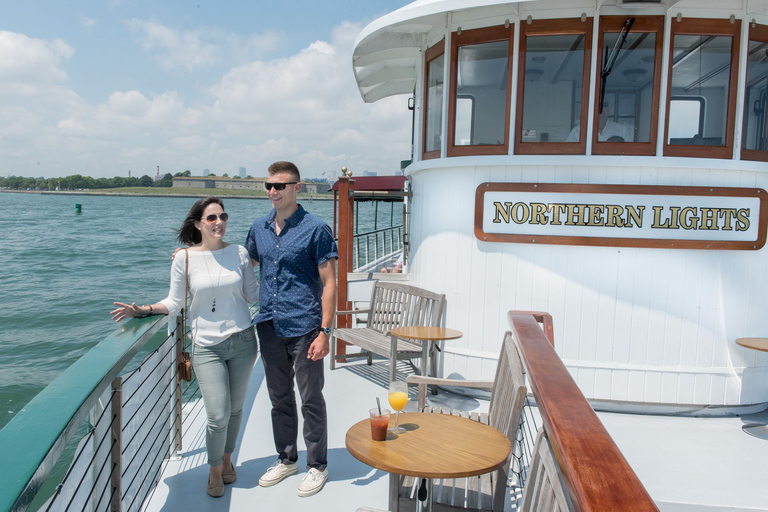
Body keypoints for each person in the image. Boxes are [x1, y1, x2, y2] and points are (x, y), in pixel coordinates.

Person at [111, 197, 259, 499]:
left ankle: (228, 459)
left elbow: (253, 296)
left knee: (235, 409)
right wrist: (144, 310)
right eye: (211, 218)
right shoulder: (185, 258)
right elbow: (175, 302)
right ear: (198, 224)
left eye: (223, 216)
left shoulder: (239, 253)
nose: (219, 222)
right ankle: (215, 469)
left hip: (244, 340)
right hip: (207, 347)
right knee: (217, 414)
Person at [245, 161, 338, 497]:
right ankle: (287, 459)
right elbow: (244, 265)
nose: (273, 191)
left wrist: (325, 332)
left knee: (310, 398)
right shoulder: (259, 228)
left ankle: (318, 466)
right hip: (269, 325)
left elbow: (330, 284)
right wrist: (193, 255)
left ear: (297, 188)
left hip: (305, 327)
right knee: (278, 397)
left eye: (280, 186)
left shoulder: (316, 229)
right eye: (269, 185)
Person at [565, 102, 634, 142]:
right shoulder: (578, 131)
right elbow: (567, 151)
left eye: (604, 105)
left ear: (608, 110)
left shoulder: (621, 130)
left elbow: (631, 151)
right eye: (597, 105)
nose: (601, 108)